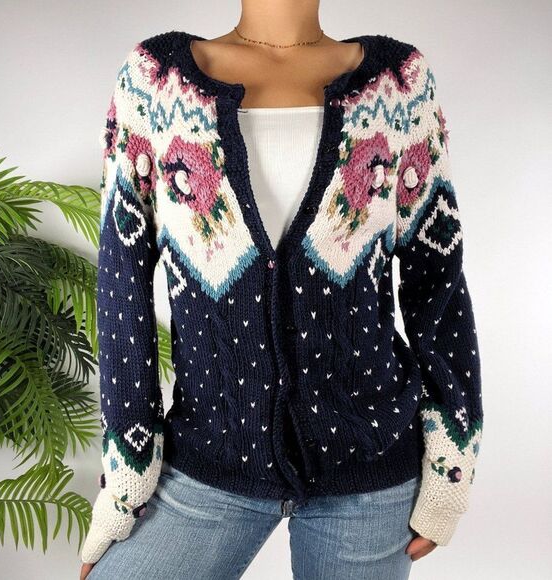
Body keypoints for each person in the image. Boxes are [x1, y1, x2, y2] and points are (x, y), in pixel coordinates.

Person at [80, 2, 484, 578]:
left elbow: (437, 281)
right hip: (208, 460)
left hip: (368, 468)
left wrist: (452, 461)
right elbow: (122, 284)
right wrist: (126, 477)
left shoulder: (399, 83)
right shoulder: (153, 80)